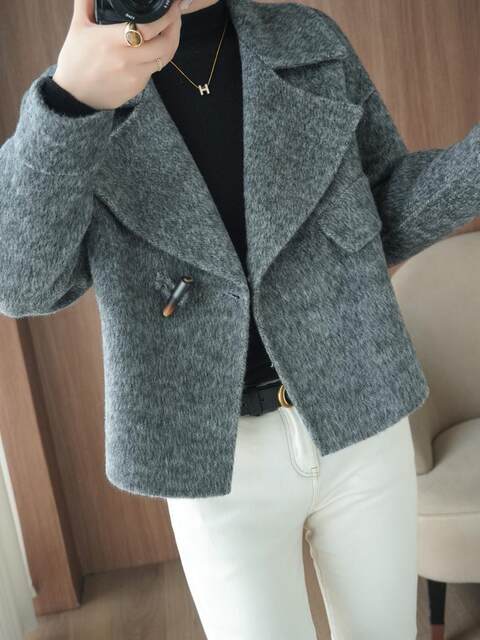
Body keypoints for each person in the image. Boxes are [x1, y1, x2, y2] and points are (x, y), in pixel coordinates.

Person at [1, 0, 479, 638]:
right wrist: (72, 103)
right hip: (215, 459)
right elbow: (21, 283)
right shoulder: (81, 90)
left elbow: (383, 210)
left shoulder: (306, 39)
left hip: (361, 410)